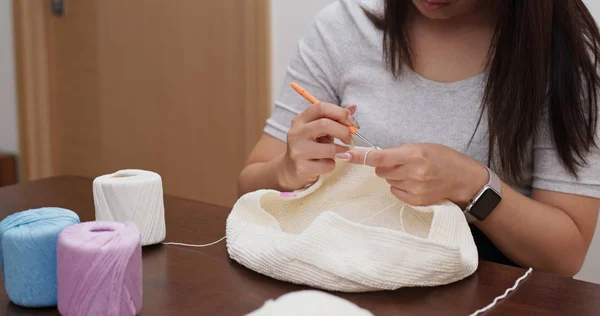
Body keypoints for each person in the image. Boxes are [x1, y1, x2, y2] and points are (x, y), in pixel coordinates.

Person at [238, 0, 600, 277]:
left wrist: (472, 186)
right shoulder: (343, 27)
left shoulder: (562, 48)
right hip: (345, 272)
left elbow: (564, 255)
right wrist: (288, 169)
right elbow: (248, 186)